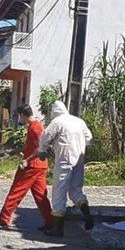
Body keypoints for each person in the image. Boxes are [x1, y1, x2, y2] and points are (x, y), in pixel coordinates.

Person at [0, 105, 52, 231]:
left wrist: (27, 160)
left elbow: (40, 148)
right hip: (40, 166)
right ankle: (50, 221)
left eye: (19, 116)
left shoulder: (34, 127)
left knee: (17, 190)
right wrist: (16, 151)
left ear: (23, 115)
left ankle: (4, 218)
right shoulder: (36, 125)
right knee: (40, 196)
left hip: (32, 166)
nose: (19, 119)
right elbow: (33, 146)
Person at [38, 100, 94, 237]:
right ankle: (87, 215)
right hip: (79, 160)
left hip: (64, 160)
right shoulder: (79, 121)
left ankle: (58, 229)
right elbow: (89, 138)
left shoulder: (57, 122)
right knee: (76, 190)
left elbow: (45, 137)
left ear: (54, 112)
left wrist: (42, 150)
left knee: (59, 192)